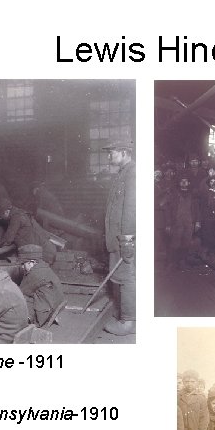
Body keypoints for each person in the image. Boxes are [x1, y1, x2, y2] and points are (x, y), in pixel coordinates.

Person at [102, 140, 136, 336]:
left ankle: (129, 322)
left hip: (125, 237)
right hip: (118, 237)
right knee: (123, 276)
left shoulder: (133, 173)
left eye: (112, 153)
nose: (109, 156)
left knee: (127, 277)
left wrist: (128, 239)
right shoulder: (123, 173)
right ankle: (125, 314)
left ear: (124, 153)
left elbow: (131, 208)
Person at [15, 244, 65, 327]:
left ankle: (26, 321)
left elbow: (20, 293)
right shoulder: (43, 267)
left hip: (44, 312)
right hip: (54, 304)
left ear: (32, 262)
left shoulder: (35, 273)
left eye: (23, 264)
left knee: (19, 299)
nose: (22, 267)